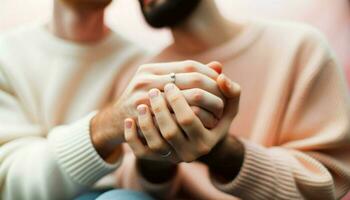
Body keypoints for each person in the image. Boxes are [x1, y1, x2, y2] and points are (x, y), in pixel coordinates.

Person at [113, 0, 350, 199]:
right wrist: (155, 163)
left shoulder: (300, 48)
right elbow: (128, 187)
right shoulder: (141, 76)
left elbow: (328, 182)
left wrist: (224, 153)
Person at [0, 0, 236, 199]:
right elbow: (8, 181)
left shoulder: (144, 65)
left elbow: (149, 185)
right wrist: (109, 123)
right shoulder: (6, 54)